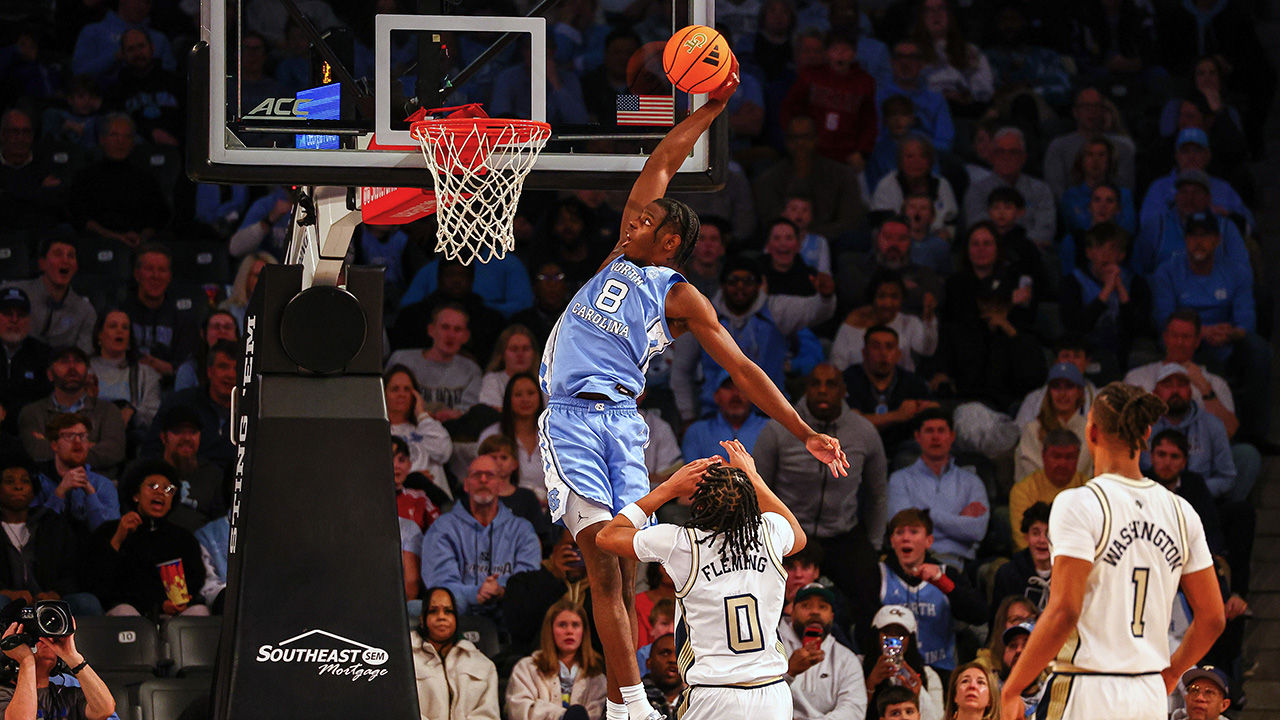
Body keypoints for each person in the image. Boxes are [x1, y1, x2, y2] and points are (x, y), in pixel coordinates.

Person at [539, 64, 848, 720]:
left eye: (643, 222)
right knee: (600, 561)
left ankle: (632, 703)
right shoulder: (619, 254)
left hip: (621, 420)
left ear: (671, 239)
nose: (629, 223)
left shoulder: (679, 295)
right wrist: (711, 107)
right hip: (571, 417)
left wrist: (805, 432)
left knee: (622, 564)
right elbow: (664, 157)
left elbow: (744, 371)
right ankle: (629, 708)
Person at [999, 383, 1225, 720]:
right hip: (1149, 692)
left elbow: (1064, 611)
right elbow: (1212, 618)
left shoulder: (1079, 502)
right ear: (1147, 432)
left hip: (1087, 687)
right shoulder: (1181, 511)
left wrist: (1013, 687)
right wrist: (1173, 672)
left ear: (1091, 431)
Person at [594, 439, 807, 720]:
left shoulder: (683, 543)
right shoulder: (772, 532)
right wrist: (753, 478)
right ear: (749, 500)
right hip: (772, 695)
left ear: (699, 503)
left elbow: (606, 536)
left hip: (714, 694)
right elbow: (798, 534)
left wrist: (668, 488)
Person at [754, 363, 888, 640]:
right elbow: (757, 487)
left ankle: (869, 667)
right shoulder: (778, 429)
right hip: (790, 533)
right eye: (816, 384)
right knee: (762, 595)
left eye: (831, 384)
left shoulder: (863, 432)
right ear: (806, 389)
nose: (823, 390)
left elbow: (878, 494)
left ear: (844, 391)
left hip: (843, 534)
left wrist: (874, 545)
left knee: (869, 594)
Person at [420, 455, 540, 620]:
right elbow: (441, 585)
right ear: (466, 485)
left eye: (490, 475)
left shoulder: (522, 530)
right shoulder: (442, 528)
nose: (483, 480)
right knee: (419, 607)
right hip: (457, 617)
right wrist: (476, 593)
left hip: (510, 616)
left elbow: (528, 581)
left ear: (500, 485)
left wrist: (500, 590)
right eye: (477, 475)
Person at [84, 460, 208, 617]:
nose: (160, 492)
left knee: (200, 612)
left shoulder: (183, 538)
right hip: (127, 613)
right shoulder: (110, 530)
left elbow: (194, 580)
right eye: (152, 486)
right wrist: (118, 539)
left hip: (170, 615)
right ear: (136, 495)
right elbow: (97, 583)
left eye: (168, 489)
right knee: (125, 612)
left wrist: (180, 603)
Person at [879, 509, 987, 674]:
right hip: (894, 671)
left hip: (941, 670)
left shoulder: (946, 573)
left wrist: (941, 582)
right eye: (899, 533)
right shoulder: (880, 575)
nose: (906, 537)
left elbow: (979, 615)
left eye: (914, 532)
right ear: (892, 541)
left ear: (928, 541)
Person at [0, 455, 102, 616]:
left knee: (87, 603)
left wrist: (55, 594)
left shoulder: (52, 524)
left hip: (48, 601)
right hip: (7, 602)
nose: (18, 486)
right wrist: (8, 593)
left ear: (34, 490)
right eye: (9, 481)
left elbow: (72, 569)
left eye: (25, 481)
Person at [887, 410, 988, 567]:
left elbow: (977, 532)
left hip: (962, 563)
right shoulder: (900, 479)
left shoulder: (972, 482)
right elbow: (902, 527)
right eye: (929, 431)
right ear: (918, 437)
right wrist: (958, 520)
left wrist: (922, 515)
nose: (935, 437)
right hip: (917, 562)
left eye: (941, 430)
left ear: (952, 436)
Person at [17, 347, 126, 474]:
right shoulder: (32, 412)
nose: (72, 367)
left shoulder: (108, 411)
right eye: (64, 362)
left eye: (78, 361)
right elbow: (36, 451)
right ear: (50, 374)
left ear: (87, 372)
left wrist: (58, 447)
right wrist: (88, 447)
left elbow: (113, 453)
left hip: (97, 485)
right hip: (48, 485)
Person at [1145, 365, 1240, 502]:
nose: (1175, 390)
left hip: (1200, 499)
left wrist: (1192, 492)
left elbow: (1227, 477)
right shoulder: (1141, 426)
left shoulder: (1212, 425)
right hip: (1152, 500)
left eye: (1182, 385)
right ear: (1155, 393)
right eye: (1168, 385)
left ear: (1190, 392)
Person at [0, 611, 116, 720]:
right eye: (39, 637)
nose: (48, 640)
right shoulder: (4, 694)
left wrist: (73, 657)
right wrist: (26, 660)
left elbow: (104, 710)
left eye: (51, 636)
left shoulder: (66, 694)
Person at [843, 326, 937, 456]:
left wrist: (923, 408)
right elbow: (853, 423)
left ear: (898, 354)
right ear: (864, 352)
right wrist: (897, 415)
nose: (883, 353)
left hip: (902, 446)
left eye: (889, 347)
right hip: (858, 446)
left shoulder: (911, 381)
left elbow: (935, 409)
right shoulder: (848, 379)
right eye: (876, 347)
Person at [779, 581, 868, 720]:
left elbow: (854, 710)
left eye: (822, 607)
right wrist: (789, 672)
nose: (815, 612)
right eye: (806, 606)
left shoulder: (846, 658)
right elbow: (760, 699)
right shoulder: (774, 647)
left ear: (831, 616)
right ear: (792, 613)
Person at [506, 599, 607, 720]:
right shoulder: (526, 668)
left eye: (575, 625)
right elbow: (520, 710)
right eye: (562, 625)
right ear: (550, 630)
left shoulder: (596, 675)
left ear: (584, 632)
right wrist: (561, 716)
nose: (569, 631)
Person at [412, 586, 501, 720]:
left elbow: (489, 714)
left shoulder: (482, 664)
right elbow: (403, 711)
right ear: (422, 619)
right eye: (433, 611)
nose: (441, 617)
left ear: (456, 619)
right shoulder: (406, 660)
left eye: (448, 611)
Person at [385, 304, 483, 423]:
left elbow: (471, 409)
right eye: (445, 327)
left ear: (465, 336)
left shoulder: (471, 370)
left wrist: (457, 414)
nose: (451, 335)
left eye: (457, 330)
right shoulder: (402, 359)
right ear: (431, 330)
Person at [504, 527, 594, 655]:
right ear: (556, 549)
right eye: (573, 547)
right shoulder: (523, 583)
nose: (578, 555)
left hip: (588, 667)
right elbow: (520, 629)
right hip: (535, 664)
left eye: (585, 548)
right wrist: (554, 578)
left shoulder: (602, 589)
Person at [118, 244, 201, 380]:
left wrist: (160, 366)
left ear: (169, 276)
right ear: (137, 274)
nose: (156, 276)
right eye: (149, 269)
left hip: (169, 388)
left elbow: (185, 368)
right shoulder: (120, 313)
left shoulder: (183, 320)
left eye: (162, 270)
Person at [961, 128, 1055, 246]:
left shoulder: (1041, 189)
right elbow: (978, 227)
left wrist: (1021, 246)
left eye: (1013, 152)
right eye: (1000, 152)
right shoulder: (976, 191)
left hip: (1033, 254)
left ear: (1023, 157)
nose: (1006, 157)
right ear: (992, 157)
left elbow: (1045, 231)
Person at [2, 237, 96, 354]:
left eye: (70, 256)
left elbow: (82, 357)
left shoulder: (85, 311)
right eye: (58, 254)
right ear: (42, 264)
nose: (65, 261)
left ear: (76, 267)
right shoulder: (11, 291)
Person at [830, 272, 937, 373]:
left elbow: (927, 350)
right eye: (882, 296)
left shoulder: (909, 322)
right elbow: (838, 366)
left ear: (902, 299)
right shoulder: (852, 323)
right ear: (873, 298)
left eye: (894, 297)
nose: (888, 304)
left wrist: (928, 320)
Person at [31, 413, 119, 535]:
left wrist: (90, 494)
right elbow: (32, 530)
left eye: (83, 436)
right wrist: (59, 492)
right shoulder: (36, 482)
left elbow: (109, 535)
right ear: (55, 445)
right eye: (69, 436)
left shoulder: (103, 485)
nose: (78, 441)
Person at [1010, 421, 1092, 542]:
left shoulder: (1089, 490)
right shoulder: (1023, 490)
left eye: (1069, 457)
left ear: (1078, 457)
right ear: (1043, 456)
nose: (1062, 464)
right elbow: (1023, 540)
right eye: (1056, 456)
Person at [88, 309, 161, 439]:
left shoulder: (145, 373)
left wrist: (133, 414)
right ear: (99, 334)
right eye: (113, 326)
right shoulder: (85, 370)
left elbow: (154, 414)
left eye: (125, 327)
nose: (119, 331)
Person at [863, 605, 945, 720]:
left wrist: (917, 694)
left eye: (901, 635)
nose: (893, 640)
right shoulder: (856, 665)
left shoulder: (928, 675)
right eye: (887, 633)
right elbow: (850, 713)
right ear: (876, 635)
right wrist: (870, 683)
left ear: (910, 640)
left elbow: (937, 718)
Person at [384, 364, 452, 500]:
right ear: (383, 394)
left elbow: (444, 452)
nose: (401, 394)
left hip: (433, 504)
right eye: (395, 389)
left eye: (407, 389)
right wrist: (412, 480)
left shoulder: (425, 427)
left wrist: (421, 414)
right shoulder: (377, 433)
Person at [1014, 364, 1092, 481]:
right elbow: (1032, 476)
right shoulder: (1033, 430)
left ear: (1080, 392)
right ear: (1049, 392)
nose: (1062, 393)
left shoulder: (1090, 431)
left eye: (1069, 387)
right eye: (1056, 387)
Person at [479, 373, 546, 502]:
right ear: (508, 399)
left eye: (531, 393)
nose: (525, 399)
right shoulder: (492, 434)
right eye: (518, 395)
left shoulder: (555, 436)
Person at [0, 289, 52, 438]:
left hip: (29, 433)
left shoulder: (44, 354)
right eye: (8, 313)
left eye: (21, 315)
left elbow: (47, 402)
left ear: (29, 319)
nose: (14, 320)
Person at [680, 378, 768, 462]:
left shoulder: (770, 429)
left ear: (752, 396)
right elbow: (692, 472)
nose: (736, 394)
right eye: (728, 388)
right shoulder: (697, 432)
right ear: (716, 396)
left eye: (742, 387)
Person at [479, 326, 540, 410]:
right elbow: (491, 413)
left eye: (525, 349)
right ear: (502, 355)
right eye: (514, 349)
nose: (520, 354)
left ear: (534, 353)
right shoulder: (493, 381)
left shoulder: (544, 382)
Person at [641, 633, 682, 719]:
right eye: (665, 653)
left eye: (679, 654)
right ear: (649, 662)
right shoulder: (633, 698)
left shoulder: (695, 700)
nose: (673, 660)